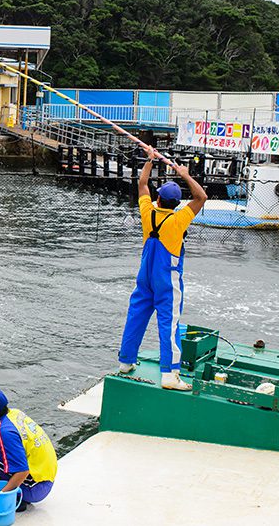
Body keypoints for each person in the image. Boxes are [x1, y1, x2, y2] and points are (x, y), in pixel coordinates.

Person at [118, 144, 208, 391]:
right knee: (169, 323)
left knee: (136, 315)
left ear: (158, 199)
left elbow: (142, 185)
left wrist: (150, 160)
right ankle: (169, 375)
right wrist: (185, 174)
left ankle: (126, 362)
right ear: (177, 203)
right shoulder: (179, 219)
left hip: (144, 276)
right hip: (167, 280)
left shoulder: (148, 212)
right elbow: (201, 197)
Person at [0, 386, 56, 512]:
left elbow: (22, 471)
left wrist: (1, 497)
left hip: (35, 488)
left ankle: (14, 498)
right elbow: (19, 436)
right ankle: (13, 491)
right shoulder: (14, 414)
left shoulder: (6, 432)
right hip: (45, 479)